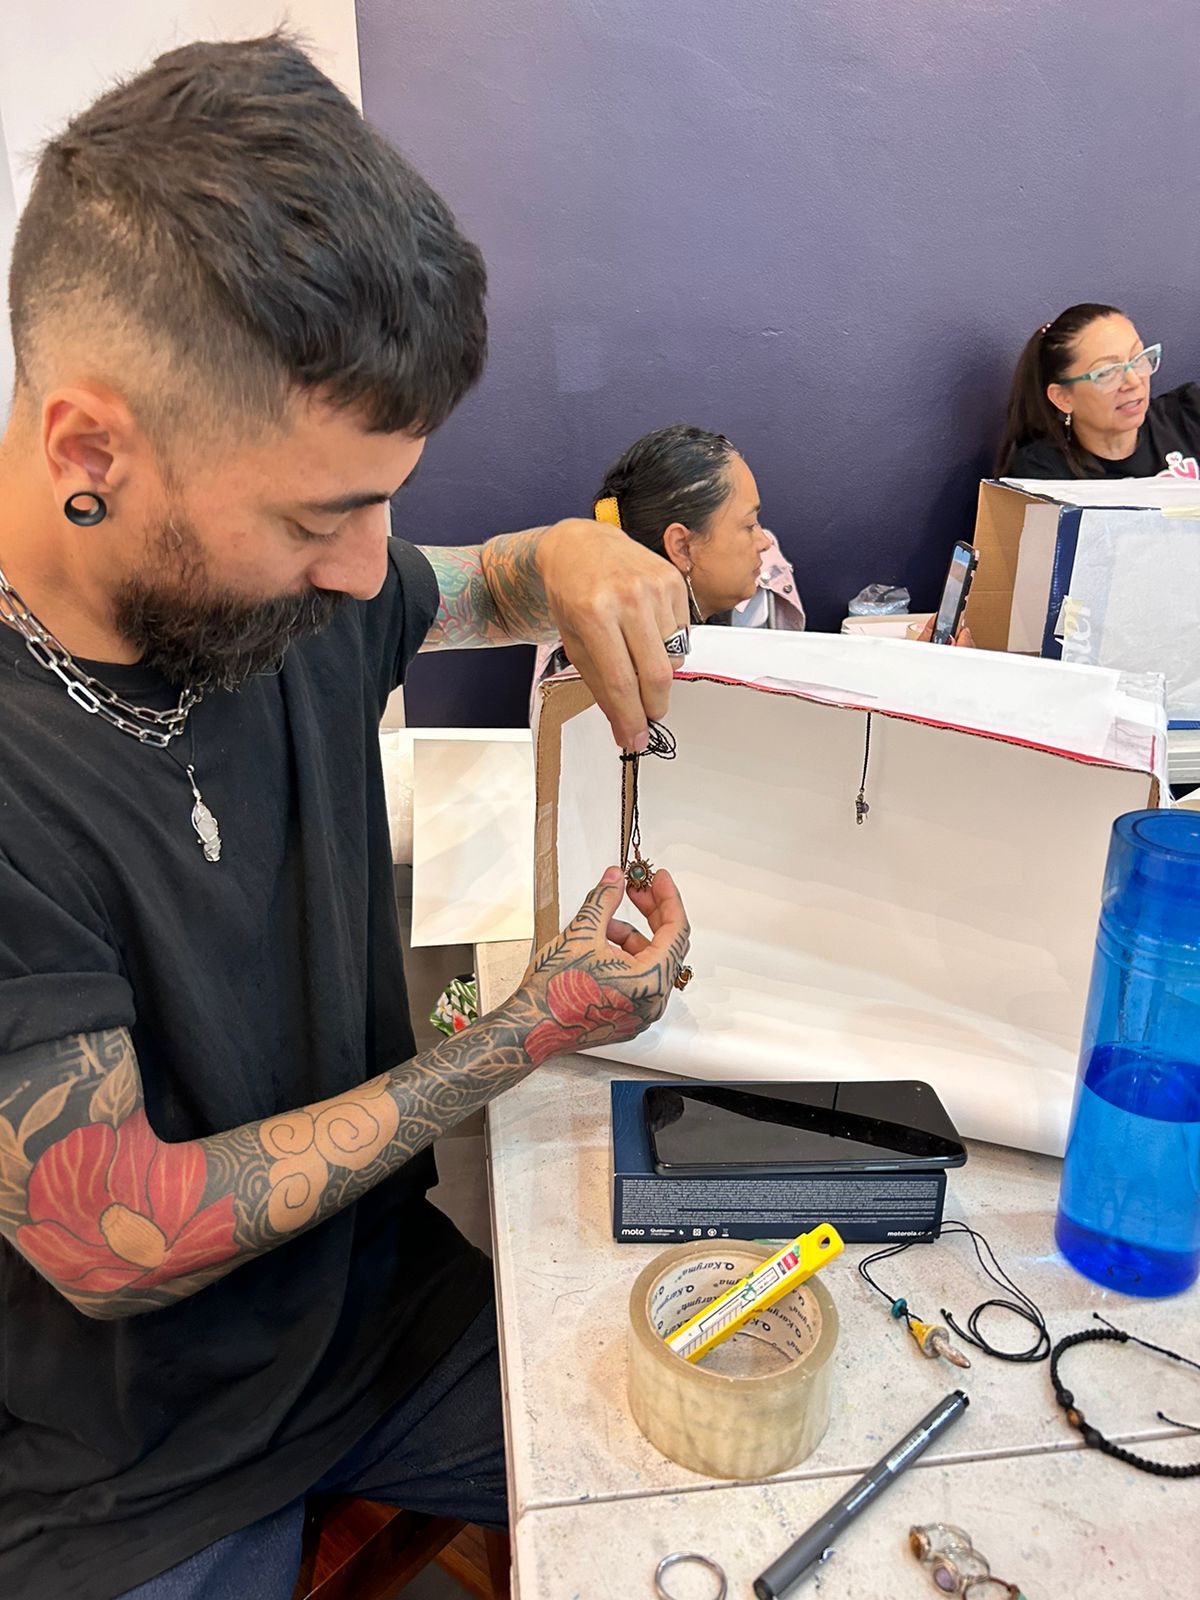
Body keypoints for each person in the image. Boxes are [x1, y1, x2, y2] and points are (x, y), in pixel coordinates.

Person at [0, 35, 691, 1600]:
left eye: (388, 496)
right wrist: (525, 1029)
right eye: (323, 513)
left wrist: (569, 557)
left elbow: (477, 583)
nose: (371, 568)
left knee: (742, 1461)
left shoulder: (292, 593)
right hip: (122, 1463)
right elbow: (112, 1237)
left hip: (378, 1322)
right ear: (90, 452)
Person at [533, 424, 804, 696]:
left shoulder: (766, 594)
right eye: (749, 525)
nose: (764, 542)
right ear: (682, 547)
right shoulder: (589, 662)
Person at [995, 302, 1200, 480]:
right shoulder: (1041, 473)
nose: (1133, 381)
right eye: (1107, 372)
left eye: (1137, 359)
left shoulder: (1188, 415)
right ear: (1063, 398)